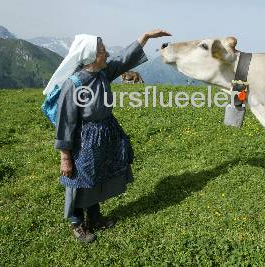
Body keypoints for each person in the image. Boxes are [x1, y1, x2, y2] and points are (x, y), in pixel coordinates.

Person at [44, 29, 171, 243]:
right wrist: (65, 157)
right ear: (92, 56)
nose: (108, 54)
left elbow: (123, 59)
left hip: (104, 136)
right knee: (78, 180)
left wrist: (146, 37)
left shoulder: (103, 72)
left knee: (96, 176)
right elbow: (65, 123)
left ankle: (93, 217)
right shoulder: (74, 84)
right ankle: (76, 223)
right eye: (103, 50)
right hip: (83, 141)